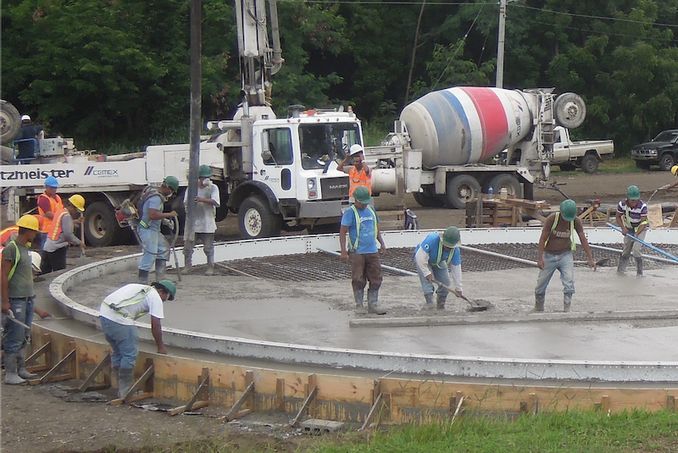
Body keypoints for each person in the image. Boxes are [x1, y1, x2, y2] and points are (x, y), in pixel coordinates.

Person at [99, 279, 176, 398]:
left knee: (118, 352)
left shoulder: (140, 288)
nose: (163, 300)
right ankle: (125, 392)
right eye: (165, 297)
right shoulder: (155, 297)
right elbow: (155, 325)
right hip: (119, 318)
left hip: (105, 315)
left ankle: (118, 388)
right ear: (161, 291)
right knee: (129, 354)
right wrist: (160, 346)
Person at [535, 199, 596, 313]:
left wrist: (591, 259)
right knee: (540, 285)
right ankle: (538, 308)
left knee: (569, 283)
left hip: (565, 255)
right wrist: (540, 259)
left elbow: (583, 239)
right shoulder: (552, 219)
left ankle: (567, 309)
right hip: (549, 256)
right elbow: (543, 239)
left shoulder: (575, 221)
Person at [1, 215, 41, 384]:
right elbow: (3, 275)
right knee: (15, 336)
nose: (36, 235)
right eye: (35, 231)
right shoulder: (12, 249)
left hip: (27, 299)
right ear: (29, 232)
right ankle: (10, 373)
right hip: (16, 299)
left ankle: (21, 369)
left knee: (24, 336)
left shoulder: (26, 248)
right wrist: (4, 301)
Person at [339, 185, 387, 315]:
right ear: (356, 200)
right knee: (358, 279)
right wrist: (344, 251)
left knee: (376, 277)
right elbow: (343, 232)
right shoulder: (350, 212)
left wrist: (382, 244)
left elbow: (376, 229)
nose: (365, 205)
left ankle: (373, 304)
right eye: (363, 202)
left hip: (372, 251)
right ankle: (359, 305)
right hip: (357, 252)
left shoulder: (371, 210)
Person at [136, 176, 179, 284]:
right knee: (150, 254)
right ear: (167, 187)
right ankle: (142, 281)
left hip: (153, 229)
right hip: (147, 229)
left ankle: (161, 278)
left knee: (163, 248)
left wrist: (165, 221)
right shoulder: (156, 198)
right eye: (171, 190)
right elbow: (152, 215)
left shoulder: (155, 194)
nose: (171, 193)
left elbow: (154, 214)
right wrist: (170, 214)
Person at [182, 165, 220, 276]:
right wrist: (190, 203)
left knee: (208, 248)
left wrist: (202, 199)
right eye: (203, 177)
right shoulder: (191, 188)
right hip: (193, 222)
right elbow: (185, 202)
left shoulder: (213, 188)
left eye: (207, 177)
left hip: (207, 222)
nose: (205, 180)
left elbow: (216, 202)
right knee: (188, 247)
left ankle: (210, 267)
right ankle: (187, 266)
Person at [414, 226, 462, 310]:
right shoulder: (432, 239)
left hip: (438, 261)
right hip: (423, 259)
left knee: (446, 282)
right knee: (427, 281)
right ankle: (430, 304)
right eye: (447, 246)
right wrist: (426, 272)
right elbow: (420, 257)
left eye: (450, 247)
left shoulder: (456, 251)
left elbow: (456, 269)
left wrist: (459, 288)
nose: (448, 248)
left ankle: (441, 305)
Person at [40, 194, 85, 274]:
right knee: (59, 273)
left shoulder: (61, 212)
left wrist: (75, 221)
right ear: (71, 207)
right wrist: (79, 243)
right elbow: (68, 234)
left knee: (44, 273)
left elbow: (61, 225)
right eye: (77, 210)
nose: (76, 213)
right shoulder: (66, 216)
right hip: (57, 248)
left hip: (48, 246)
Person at [615, 185, 648, 277]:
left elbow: (644, 222)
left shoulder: (643, 207)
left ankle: (639, 273)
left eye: (636, 200)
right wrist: (623, 228)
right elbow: (618, 217)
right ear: (627, 198)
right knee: (626, 250)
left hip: (640, 229)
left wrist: (637, 234)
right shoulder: (622, 204)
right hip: (629, 229)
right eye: (632, 200)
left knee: (636, 250)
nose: (634, 202)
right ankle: (620, 271)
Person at [37, 176, 63, 249]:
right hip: (47, 230)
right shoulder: (43, 199)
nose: (54, 190)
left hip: (56, 229)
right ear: (46, 187)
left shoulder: (57, 197)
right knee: (46, 251)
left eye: (55, 188)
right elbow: (48, 214)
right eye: (52, 188)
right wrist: (62, 219)